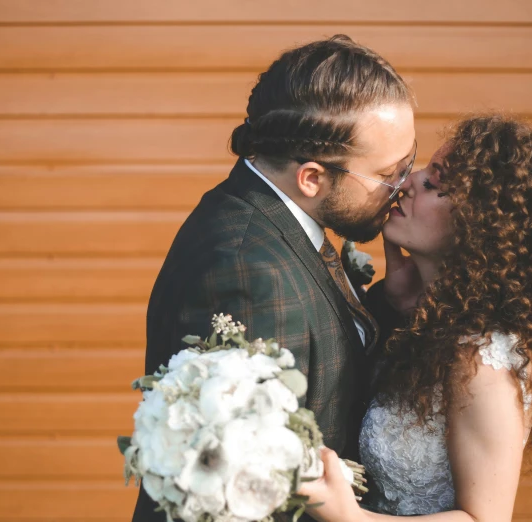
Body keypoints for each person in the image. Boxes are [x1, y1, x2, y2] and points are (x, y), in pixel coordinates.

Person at [132, 35, 418, 521]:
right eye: (392, 173)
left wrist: (389, 302)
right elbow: (241, 493)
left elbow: (326, 361)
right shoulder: (243, 271)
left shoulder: (283, 222)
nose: (405, 186)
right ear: (311, 178)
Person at [300, 114, 532, 521]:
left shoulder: (482, 358)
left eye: (433, 184)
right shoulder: (431, 323)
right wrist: (396, 305)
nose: (407, 183)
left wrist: (349, 517)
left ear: (478, 226)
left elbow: (484, 518)